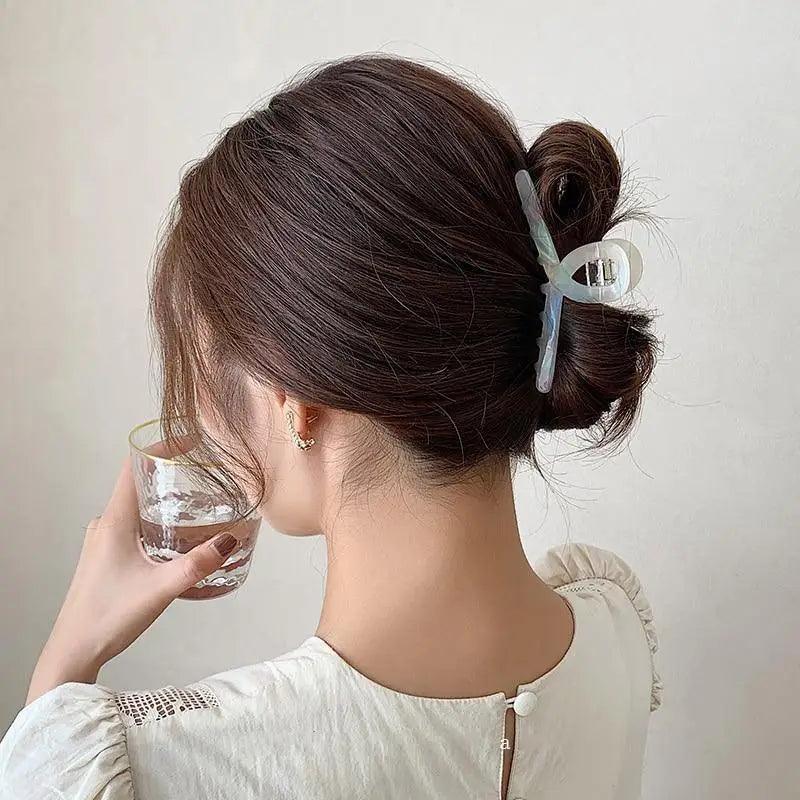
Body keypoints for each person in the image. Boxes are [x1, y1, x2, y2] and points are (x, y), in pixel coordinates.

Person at [0, 53, 663, 800]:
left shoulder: (163, 768)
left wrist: (62, 678)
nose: (208, 422)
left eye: (210, 369)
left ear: (292, 397)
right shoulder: (617, 631)